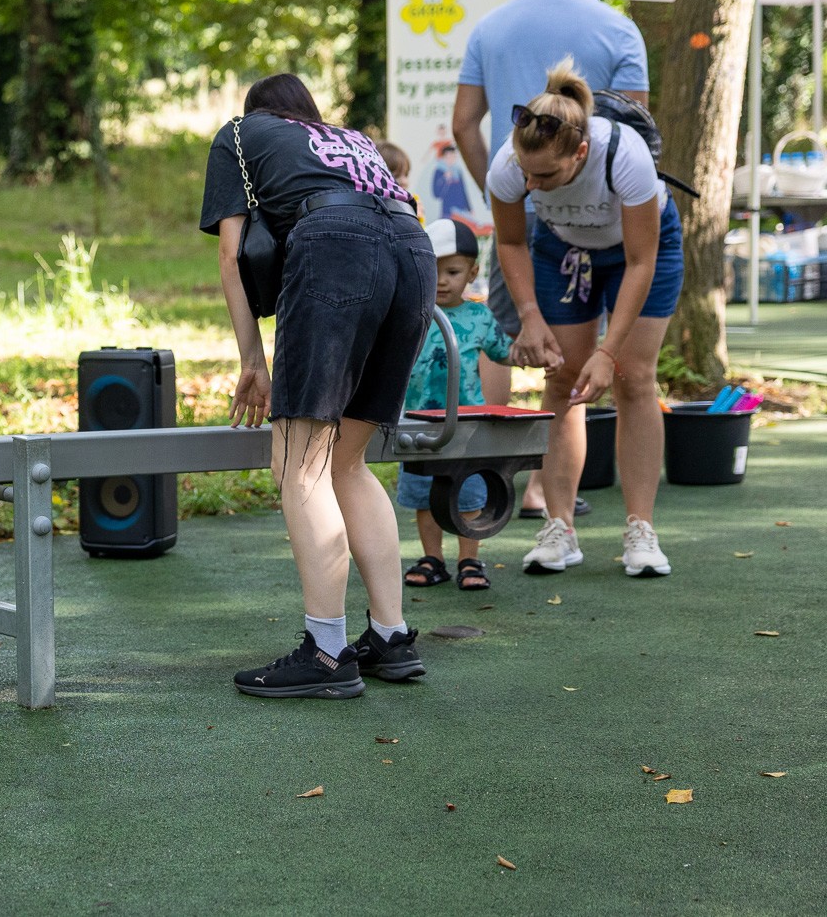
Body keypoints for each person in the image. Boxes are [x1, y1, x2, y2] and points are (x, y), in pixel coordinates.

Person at [201, 73, 434, 699]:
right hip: (414, 253)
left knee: (299, 465)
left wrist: (252, 359)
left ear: (258, 111)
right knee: (347, 464)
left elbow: (231, 254)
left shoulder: (240, 133)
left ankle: (327, 652)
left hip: (336, 250)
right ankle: (391, 636)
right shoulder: (351, 139)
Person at [453, 0, 649, 518]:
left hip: (522, 209)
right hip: (598, 208)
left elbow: (463, 124)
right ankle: (542, 489)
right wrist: (540, 181)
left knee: (501, 338)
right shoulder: (620, 31)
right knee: (569, 360)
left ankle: (485, 476)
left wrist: (509, 187)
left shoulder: (491, 26)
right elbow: (636, 131)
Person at [489, 59, 682, 579]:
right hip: (562, 251)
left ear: (580, 152)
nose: (531, 185)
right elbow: (511, 242)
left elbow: (641, 261)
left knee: (633, 377)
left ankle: (641, 529)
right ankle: (559, 527)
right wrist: (530, 316)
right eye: (526, 173)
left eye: (546, 176)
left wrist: (607, 351)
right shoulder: (509, 167)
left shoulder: (625, 157)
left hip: (640, 252)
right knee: (564, 378)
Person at [398, 219, 513, 592]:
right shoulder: (410, 313)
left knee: (469, 494)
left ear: (473, 273)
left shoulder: (479, 317)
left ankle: (469, 559)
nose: (442, 281)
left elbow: (505, 352)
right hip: (418, 421)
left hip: (466, 424)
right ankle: (433, 558)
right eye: (433, 271)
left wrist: (535, 354)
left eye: (452, 272)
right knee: (424, 494)